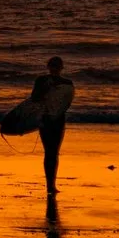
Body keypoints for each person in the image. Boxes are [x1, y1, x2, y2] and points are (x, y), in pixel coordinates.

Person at [29, 55, 72, 195]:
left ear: (61, 68)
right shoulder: (41, 81)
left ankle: (52, 185)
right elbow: (34, 98)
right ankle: (49, 185)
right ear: (48, 67)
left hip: (58, 119)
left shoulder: (67, 83)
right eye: (52, 65)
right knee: (49, 151)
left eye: (57, 66)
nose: (54, 68)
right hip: (46, 119)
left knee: (54, 152)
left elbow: (67, 102)